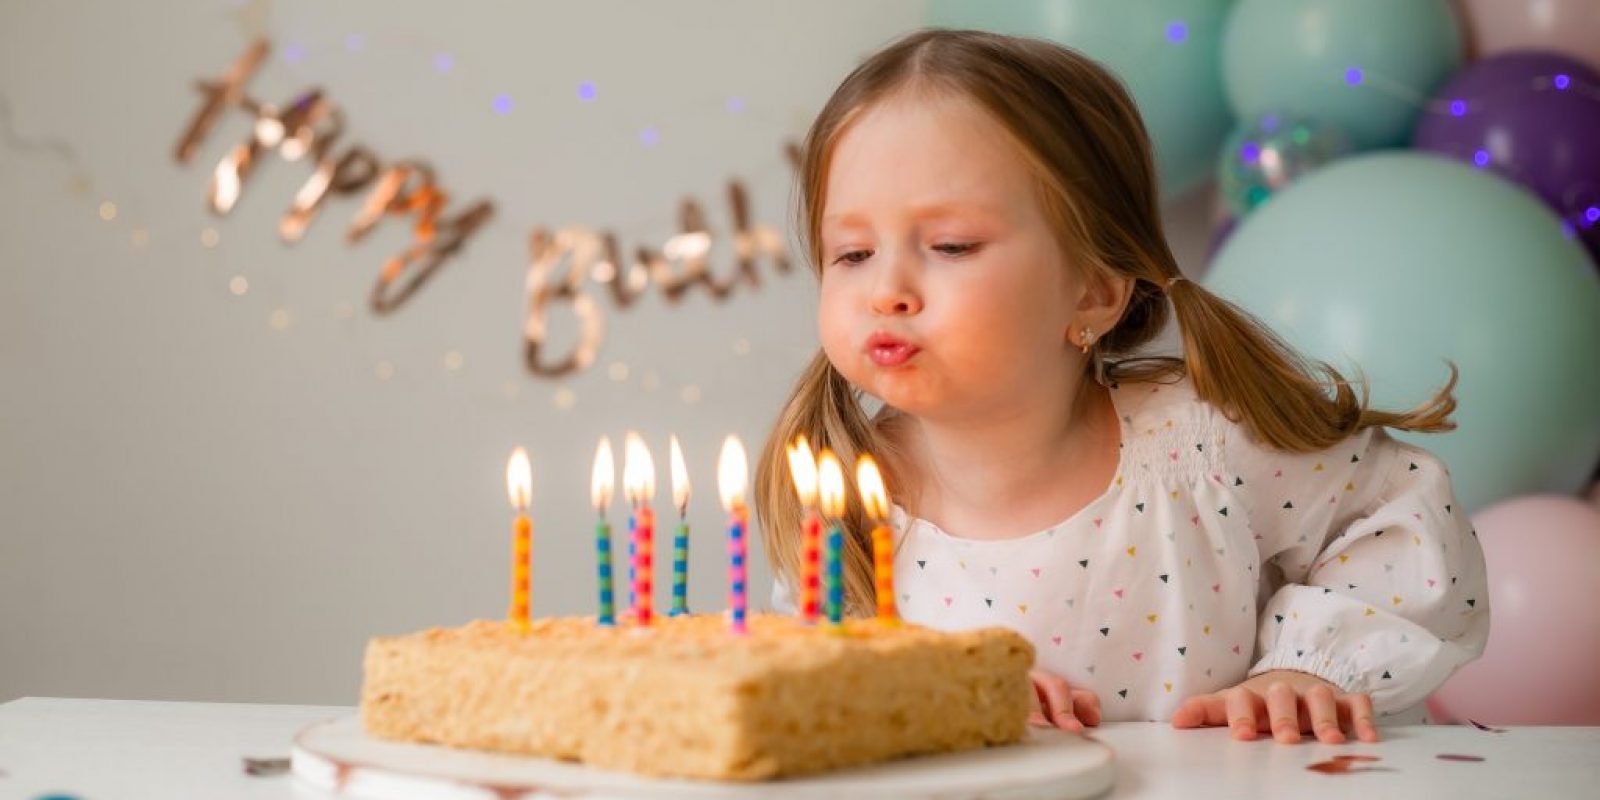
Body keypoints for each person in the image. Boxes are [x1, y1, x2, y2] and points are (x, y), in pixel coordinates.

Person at [755, 28, 1488, 746]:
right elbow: (831, 688)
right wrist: (939, 689)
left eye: (951, 245)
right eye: (851, 253)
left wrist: (1309, 670)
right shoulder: (841, 491)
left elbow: (1399, 515)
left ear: (1094, 294)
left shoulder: (1201, 449)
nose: (886, 290)